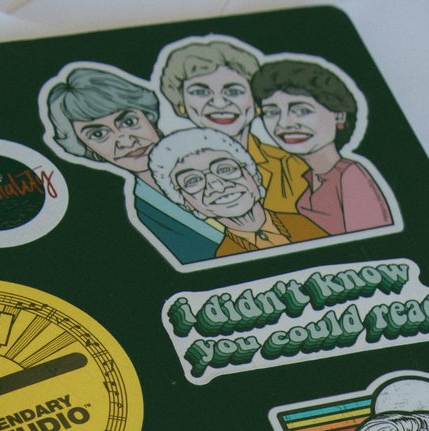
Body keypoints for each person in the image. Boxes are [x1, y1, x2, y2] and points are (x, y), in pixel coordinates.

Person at [41, 64, 220, 265]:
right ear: (88, 148)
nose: (125, 141)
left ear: (148, 116)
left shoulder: (220, 153)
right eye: (98, 134)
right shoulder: (142, 212)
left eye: (128, 121)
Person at [157, 36, 309, 217]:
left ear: (257, 101)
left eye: (233, 91)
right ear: (181, 103)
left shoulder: (291, 166)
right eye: (200, 92)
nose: (219, 103)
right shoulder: (169, 174)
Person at [253, 57, 394, 237]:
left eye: (302, 111)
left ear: (339, 116)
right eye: (271, 112)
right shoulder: (308, 178)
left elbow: (376, 244)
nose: (284, 123)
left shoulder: (351, 176)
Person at [150, 127, 327, 259]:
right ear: (187, 204)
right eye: (193, 181)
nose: (217, 186)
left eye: (225, 169)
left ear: (254, 176)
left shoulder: (302, 223)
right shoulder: (224, 257)